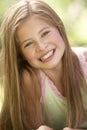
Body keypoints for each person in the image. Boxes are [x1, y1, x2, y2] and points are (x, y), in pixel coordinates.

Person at [0, 0, 87, 130]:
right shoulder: (30, 78)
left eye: (45, 33)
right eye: (28, 43)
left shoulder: (84, 62)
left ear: (59, 28)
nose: (41, 46)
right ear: (20, 54)